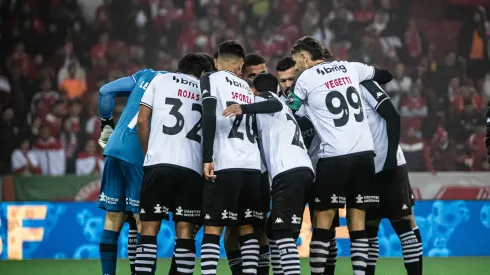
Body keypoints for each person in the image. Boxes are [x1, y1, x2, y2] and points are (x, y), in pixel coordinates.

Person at [286, 35, 392, 275]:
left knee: (322, 224)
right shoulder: (350, 67)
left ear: (304, 57)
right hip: (365, 155)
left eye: (296, 62)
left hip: (334, 156)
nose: (296, 67)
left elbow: (289, 109)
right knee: (358, 225)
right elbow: (385, 74)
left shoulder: (305, 79)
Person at [199, 40, 282, 275]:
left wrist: (207, 156)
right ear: (241, 65)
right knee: (248, 228)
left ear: (216, 61)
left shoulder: (210, 78)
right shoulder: (247, 87)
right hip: (252, 167)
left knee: (213, 227)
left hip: (225, 163)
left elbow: (208, 113)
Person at [223, 73, 314, 275]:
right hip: (303, 171)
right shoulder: (283, 110)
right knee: (274, 231)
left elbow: (274, 105)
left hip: (288, 170)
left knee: (282, 233)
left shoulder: (268, 101)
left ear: (256, 91)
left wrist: (243, 108)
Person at [134, 54, 213, 275]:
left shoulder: (160, 80)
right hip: (191, 168)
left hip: (158, 163)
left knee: (149, 228)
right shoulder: (205, 90)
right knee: (185, 232)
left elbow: (142, 120)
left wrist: (148, 153)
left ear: (180, 67)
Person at [97, 68, 164, 275]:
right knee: (143, 221)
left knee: (113, 219)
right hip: (138, 152)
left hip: (114, 148)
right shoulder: (180, 87)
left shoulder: (146, 74)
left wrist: (107, 125)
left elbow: (105, 91)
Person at [277, 55, 339, 275]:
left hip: (321, 170)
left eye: (291, 80)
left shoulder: (316, 97)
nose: (287, 86)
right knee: (284, 231)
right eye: (283, 81)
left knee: (326, 231)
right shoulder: (277, 105)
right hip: (291, 173)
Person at [359, 80, 423, 275]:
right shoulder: (330, 93)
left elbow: (393, 116)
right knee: (370, 226)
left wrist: (389, 160)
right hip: (365, 170)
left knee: (404, 220)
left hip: (390, 163)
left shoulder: (365, 84)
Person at [225, 52, 272, 275]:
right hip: (236, 168)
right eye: (254, 76)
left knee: (259, 226)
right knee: (232, 230)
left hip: (261, 173)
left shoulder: (273, 98)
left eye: (263, 73)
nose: (259, 79)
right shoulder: (235, 97)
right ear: (244, 77)